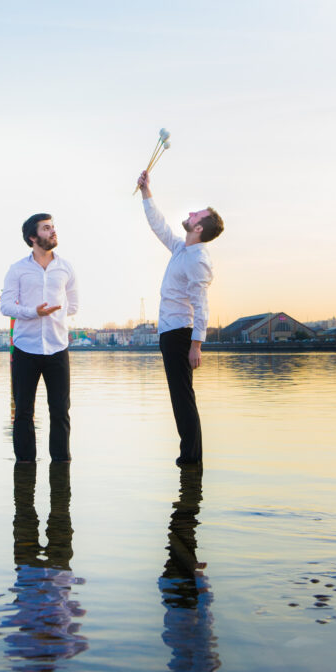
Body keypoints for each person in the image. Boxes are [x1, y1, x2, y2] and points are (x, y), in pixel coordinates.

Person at [137, 170, 224, 466]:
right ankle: (189, 457)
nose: (189, 213)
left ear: (198, 227)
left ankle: (191, 458)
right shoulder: (181, 249)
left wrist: (196, 345)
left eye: (195, 214)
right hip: (170, 333)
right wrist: (146, 192)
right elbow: (158, 225)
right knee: (180, 397)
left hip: (180, 335)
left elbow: (202, 306)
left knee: (182, 397)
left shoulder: (198, 260)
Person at [0, 214, 78, 464]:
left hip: (57, 347)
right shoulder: (17, 269)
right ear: (33, 237)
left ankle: (61, 464)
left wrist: (55, 318)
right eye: (46, 228)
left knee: (60, 410)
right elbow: (6, 306)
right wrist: (34, 312)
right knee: (23, 411)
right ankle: (24, 465)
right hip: (26, 348)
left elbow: (73, 305)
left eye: (53, 227)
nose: (53, 231)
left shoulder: (66, 268)